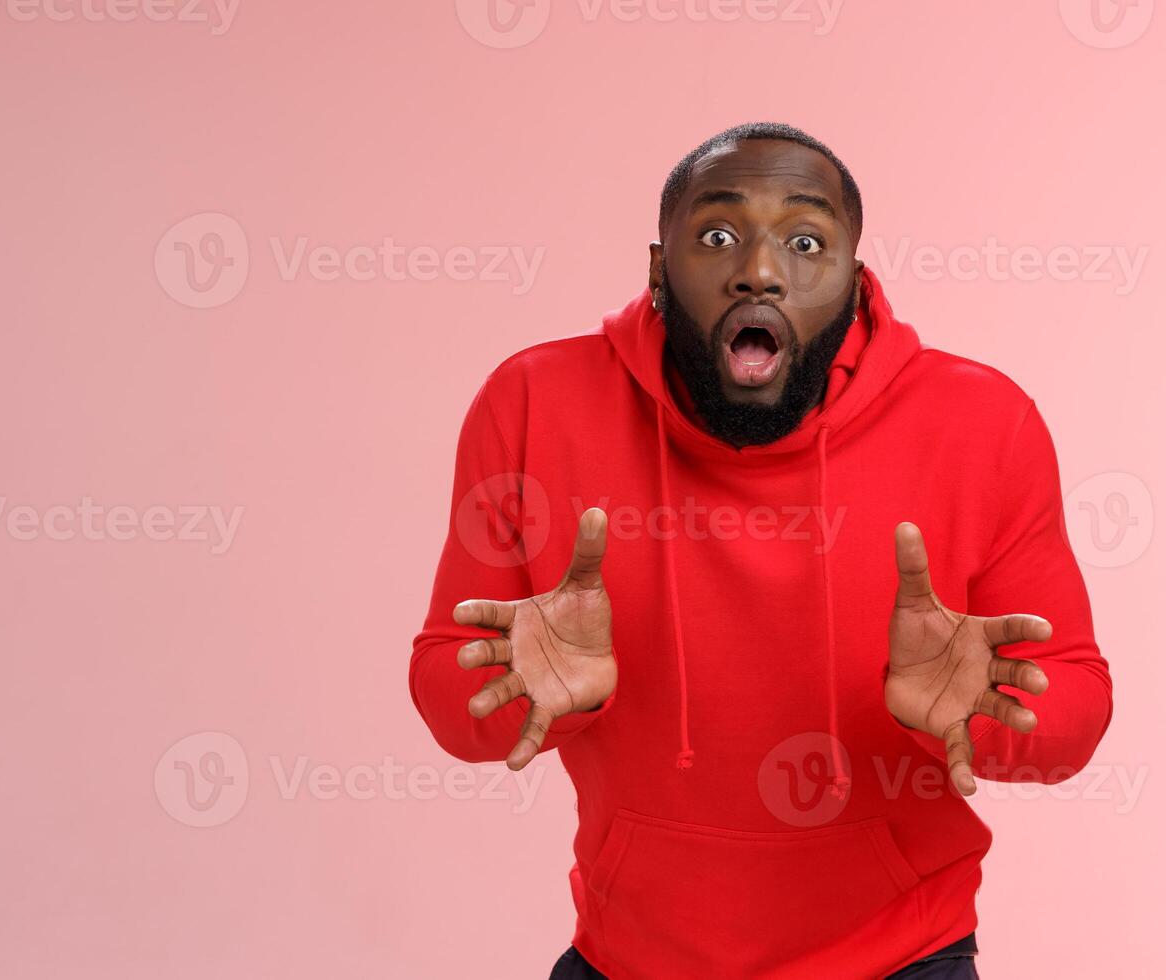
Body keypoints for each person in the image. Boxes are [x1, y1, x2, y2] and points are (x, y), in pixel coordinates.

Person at [408, 122, 1114, 979]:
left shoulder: (982, 421)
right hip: (628, 960)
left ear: (856, 283)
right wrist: (532, 697)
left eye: (807, 240)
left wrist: (978, 718)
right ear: (658, 269)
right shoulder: (531, 401)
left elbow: (1075, 703)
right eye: (716, 236)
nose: (760, 269)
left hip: (901, 957)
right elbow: (449, 682)